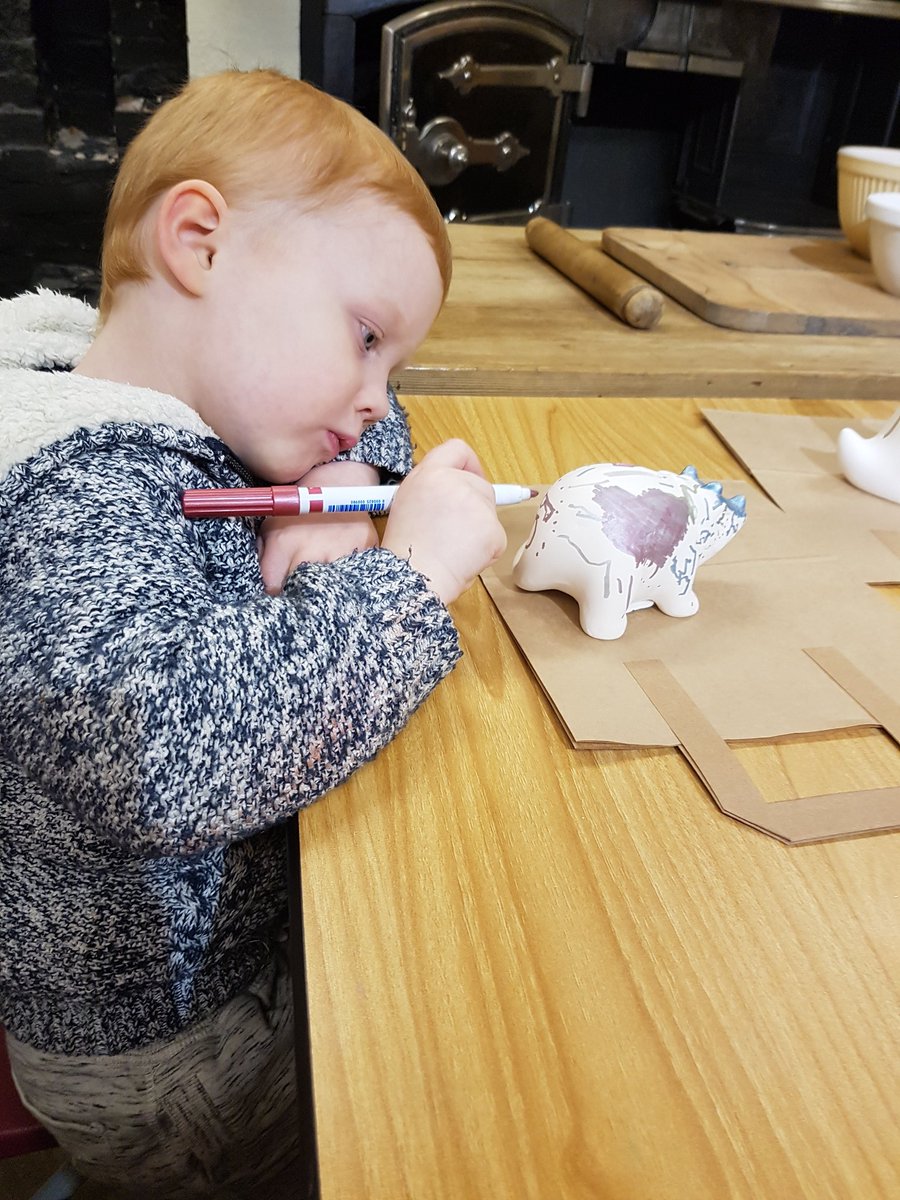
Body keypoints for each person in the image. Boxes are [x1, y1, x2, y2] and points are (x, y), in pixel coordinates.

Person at [0, 68, 505, 1198]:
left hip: (220, 971)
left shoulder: (192, 380)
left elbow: (366, 416)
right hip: (170, 1052)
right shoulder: (63, 493)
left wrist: (336, 471)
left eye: (395, 363)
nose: (380, 393)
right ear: (201, 244)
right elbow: (160, 754)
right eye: (367, 335)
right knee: (433, 1099)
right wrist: (407, 581)